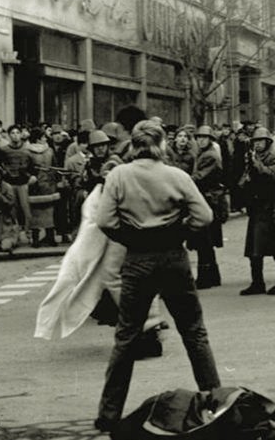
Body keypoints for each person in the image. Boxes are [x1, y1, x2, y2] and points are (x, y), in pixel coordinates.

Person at [92, 120, 220, 432]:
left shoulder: (120, 175)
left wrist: (132, 237)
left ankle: (108, 415)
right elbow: (204, 215)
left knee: (126, 336)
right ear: (162, 144)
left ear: (133, 145)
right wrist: (179, 229)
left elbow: (104, 219)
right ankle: (216, 404)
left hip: (138, 259)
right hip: (173, 255)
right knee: (193, 331)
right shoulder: (177, 175)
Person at [239, 127, 275, 296]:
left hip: (272, 205)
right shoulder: (253, 157)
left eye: (260, 141)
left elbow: (273, 176)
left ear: (267, 142)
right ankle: (257, 282)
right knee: (254, 247)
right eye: (255, 141)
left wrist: (256, 164)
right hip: (257, 205)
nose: (258, 144)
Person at [188, 125, 225, 289]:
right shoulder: (203, 153)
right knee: (206, 241)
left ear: (210, 139)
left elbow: (200, 177)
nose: (201, 140)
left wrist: (183, 178)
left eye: (204, 137)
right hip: (208, 198)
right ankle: (212, 276)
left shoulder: (210, 156)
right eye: (199, 137)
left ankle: (205, 278)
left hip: (209, 199)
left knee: (204, 239)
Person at [26, 127, 60, 247]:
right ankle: (42, 238)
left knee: (44, 212)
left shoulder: (46, 151)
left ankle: (45, 237)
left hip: (42, 185)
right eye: (43, 137)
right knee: (40, 211)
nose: (46, 138)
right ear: (38, 139)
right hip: (41, 185)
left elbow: (55, 166)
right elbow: (26, 168)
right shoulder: (30, 151)